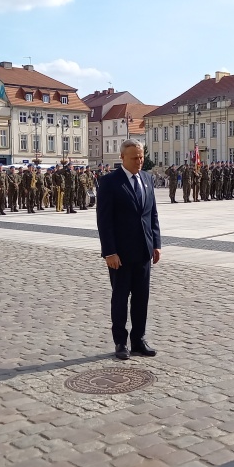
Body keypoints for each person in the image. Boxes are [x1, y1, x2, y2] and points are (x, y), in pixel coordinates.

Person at [96, 138, 162, 360]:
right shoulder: (109, 182)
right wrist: (109, 252)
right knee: (121, 298)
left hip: (144, 250)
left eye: (141, 156)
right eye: (135, 158)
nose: (139, 161)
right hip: (120, 255)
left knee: (141, 298)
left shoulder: (146, 178)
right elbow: (104, 221)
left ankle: (138, 340)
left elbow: (152, 214)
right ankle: (120, 342)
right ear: (122, 157)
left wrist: (157, 244)